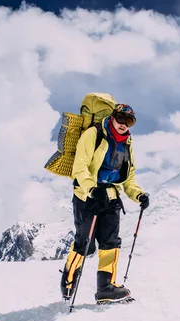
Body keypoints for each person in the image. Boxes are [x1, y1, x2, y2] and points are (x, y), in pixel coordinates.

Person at [60, 103, 150, 303]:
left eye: (129, 121)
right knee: (85, 245)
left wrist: (138, 195)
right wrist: (91, 189)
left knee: (110, 243)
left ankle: (106, 289)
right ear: (112, 117)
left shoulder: (127, 143)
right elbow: (80, 166)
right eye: (120, 118)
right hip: (87, 196)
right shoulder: (93, 134)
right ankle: (68, 280)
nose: (124, 124)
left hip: (110, 197)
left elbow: (128, 177)